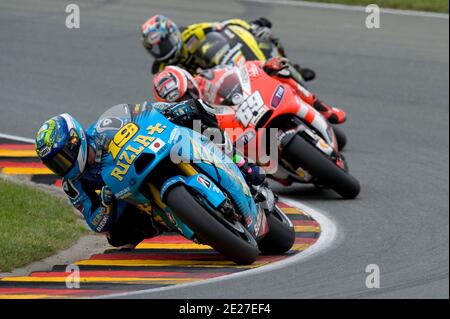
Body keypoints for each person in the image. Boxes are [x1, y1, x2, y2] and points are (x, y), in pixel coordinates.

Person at [35, 100, 266, 249]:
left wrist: (170, 110)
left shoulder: (104, 126)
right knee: (116, 238)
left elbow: (142, 111)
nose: (62, 166)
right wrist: (106, 204)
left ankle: (242, 164)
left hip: (154, 150)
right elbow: (95, 222)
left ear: (76, 140)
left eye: (62, 158)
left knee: (195, 111)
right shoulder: (73, 184)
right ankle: (169, 220)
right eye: (55, 164)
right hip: (130, 194)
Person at [153, 57, 347, 125]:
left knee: (281, 73)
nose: (188, 100)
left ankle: (324, 109)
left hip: (251, 104)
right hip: (236, 132)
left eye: (187, 94)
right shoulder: (186, 119)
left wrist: (264, 65)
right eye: (181, 100)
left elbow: (240, 69)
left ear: (189, 81)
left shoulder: (207, 77)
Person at [141, 15, 316, 81]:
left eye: (163, 45)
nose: (161, 51)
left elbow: (223, 26)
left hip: (225, 65)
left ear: (172, 34)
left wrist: (249, 27)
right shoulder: (163, 69)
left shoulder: (191, 33)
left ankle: (290, 67)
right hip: (208, 90)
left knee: (266, 37)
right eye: (154, 49)